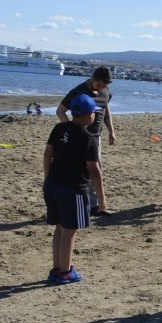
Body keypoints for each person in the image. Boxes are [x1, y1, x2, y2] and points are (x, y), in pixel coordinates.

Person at [43, 94, 107, 284]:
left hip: (53, 185)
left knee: (60, 228)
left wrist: (46, 177)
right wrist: (102, 199)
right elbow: (95, 171)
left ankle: (57, 268)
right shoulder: (88, 138)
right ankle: (65, 271)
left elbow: (48, 153)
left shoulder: (60, 128)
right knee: (69, 231)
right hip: (73, 190)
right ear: (88, 115)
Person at [58, 67, 115, 215]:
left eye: (103, 86)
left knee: (95, 170)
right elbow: (60, 111)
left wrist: (111, 131)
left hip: (96, 137)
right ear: (93, 78)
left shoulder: (105, 91)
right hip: (80, 138)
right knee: (81, 170)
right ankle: (77, 203)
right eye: (99, 85)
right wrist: (71, 129)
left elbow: (106, 110)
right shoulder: (78, 92)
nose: (101, 88)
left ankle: (93, 206)